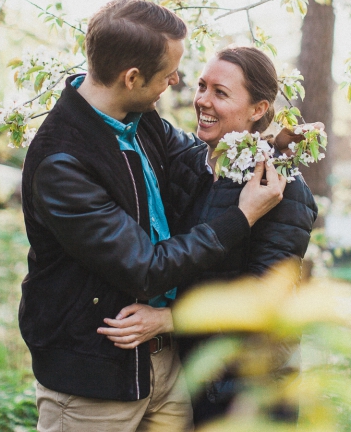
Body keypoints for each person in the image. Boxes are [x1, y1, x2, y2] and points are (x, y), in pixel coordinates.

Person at [19, 0, 288, 432]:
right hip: (96, 376)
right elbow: (145, 267)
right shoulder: (63, 164)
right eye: (169, 73)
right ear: (131, 77)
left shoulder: (141, 119)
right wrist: (241, 217)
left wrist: (264, 148)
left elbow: (199, 156)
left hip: (163, 364)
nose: (176, 82)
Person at [96, 47, 318, 426]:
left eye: (220, 92)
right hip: (186, 379)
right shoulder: (187, 162)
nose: (202, 100)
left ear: (258, 109)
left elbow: (267, 301)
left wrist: (168, 319)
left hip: (249, 390)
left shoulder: (280, 188)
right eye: (201, 86)